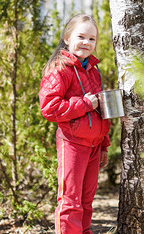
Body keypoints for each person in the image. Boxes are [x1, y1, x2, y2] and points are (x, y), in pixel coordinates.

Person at [39, 13, 111, 234]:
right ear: (68, 37)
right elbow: (49, 108)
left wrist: (104, 144)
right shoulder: (60, 69)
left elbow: (99, 111)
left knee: (87, 200)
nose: (86, 43)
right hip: (72, 144)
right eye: (81, 36)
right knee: (71, 200)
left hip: (94, 146)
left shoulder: (93, 69)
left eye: (92, 39)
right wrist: (84, 104)